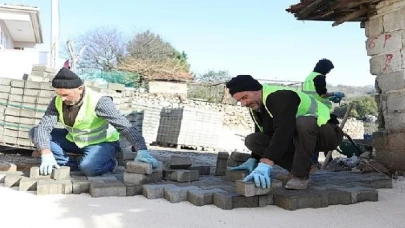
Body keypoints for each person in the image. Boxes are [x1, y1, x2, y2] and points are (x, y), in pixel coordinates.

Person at [29, 68, 159, 176]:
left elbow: (124, 125)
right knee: (35, 132)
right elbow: (44, 127)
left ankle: (110, 163)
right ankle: (68, 163)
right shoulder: (57, 101)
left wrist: (141, 149)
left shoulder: (99, 102)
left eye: (66, 95)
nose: (62, 99)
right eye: (59, 94)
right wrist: (45, 152)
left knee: (89, 168)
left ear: (80, 89)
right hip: (75, 140)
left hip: (101, 143)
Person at [226, 75, 343, 190]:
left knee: (303, 122)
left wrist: (266, 163)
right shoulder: (257, 106)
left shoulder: (279, 96)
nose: (243, 103)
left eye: (245, 97)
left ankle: (300, 176)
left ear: (257, 89)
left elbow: (283, 130)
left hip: (327, 133)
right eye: (239, 100)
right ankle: (304, 168)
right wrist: (254, 158)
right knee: (253, 140)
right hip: (299, 137)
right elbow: (263, 133)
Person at [302, 58, 344, 165]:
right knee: (327, 135)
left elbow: (312, 95)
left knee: (314, 137)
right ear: (325, 68)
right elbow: (322, 94)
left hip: (308, 110)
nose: (328, 72)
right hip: (319, 111)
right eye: (328, 70)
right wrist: (335, 93)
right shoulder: (319, 77)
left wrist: (329, 99)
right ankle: (326, 161)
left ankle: (313, 162)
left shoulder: (308, 78)